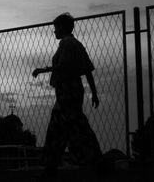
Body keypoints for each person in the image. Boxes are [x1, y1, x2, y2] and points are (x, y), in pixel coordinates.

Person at [32, 13, 102, 179]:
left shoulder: (67, 43)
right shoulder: (76, 43)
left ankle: (94, 162)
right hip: (71, 91)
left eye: (55, 28)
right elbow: (87, 70)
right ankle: (53, 167)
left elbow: (63, 66)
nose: (54, 31)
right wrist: (94, 93)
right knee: (64, 127)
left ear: (62, 28)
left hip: (67, 92)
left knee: (74, 128)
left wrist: (43, 70)